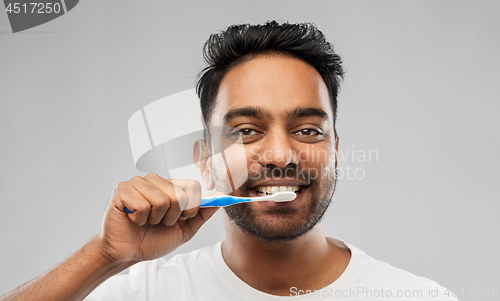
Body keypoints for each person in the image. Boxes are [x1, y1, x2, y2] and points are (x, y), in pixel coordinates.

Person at [0, 21, 459, 301]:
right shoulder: (141, 293)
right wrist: (102, 257)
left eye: (307, 130)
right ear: (204, 158)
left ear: (335, 150)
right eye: (245, 132)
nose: (280, 155)